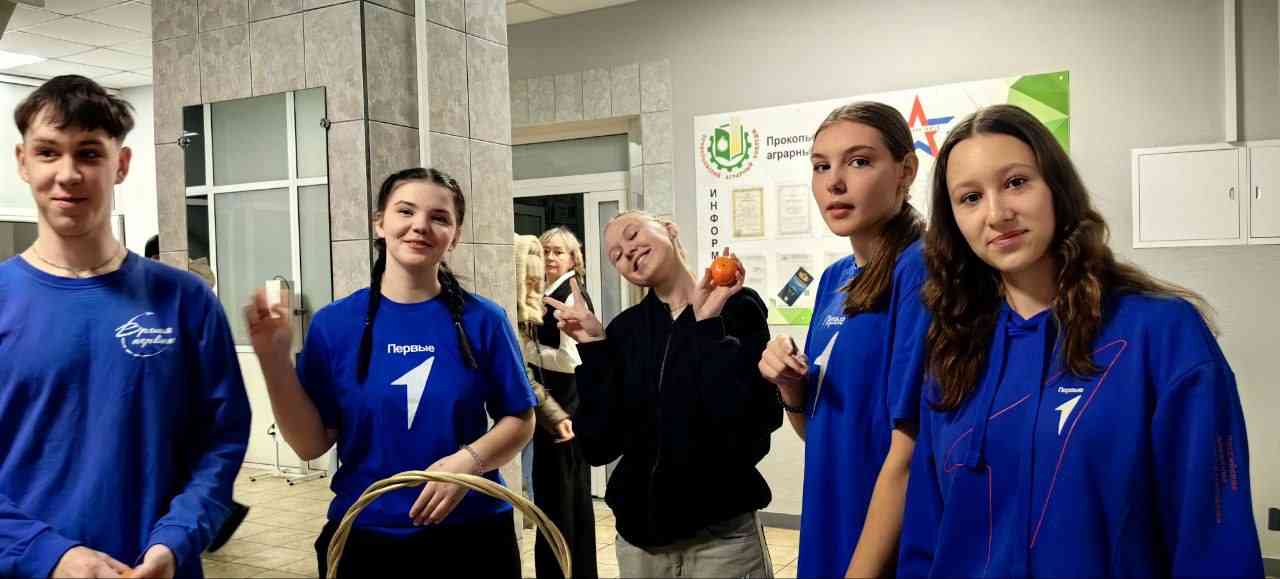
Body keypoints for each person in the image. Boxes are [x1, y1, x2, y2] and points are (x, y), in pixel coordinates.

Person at [898, 104, 1263, 577]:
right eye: (970, 197)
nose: (997, 214)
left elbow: (1214, 542)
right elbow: (926, 537)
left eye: (1016, 182)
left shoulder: (1162, 335)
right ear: (954, 222)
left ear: (1057, 188)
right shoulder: (952, 351)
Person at [0, 74, 251, 578]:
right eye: (48, 152)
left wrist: (176, 540)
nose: (68, 174)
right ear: (23, 162)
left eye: (89, 153)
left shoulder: (185, 300)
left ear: (122, 164)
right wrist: (48, 554)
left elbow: (220, 444)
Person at [244, 167, 536, 578]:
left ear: (455, 235)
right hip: (366, 534)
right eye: (406, 211)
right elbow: (311, 444)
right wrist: (274, 362)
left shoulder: (484, 319)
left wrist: (469, 462)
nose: (421, 225)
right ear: (379, 223)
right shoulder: (335, 324)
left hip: (473, 534)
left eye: (439, 217)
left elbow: (521, 418)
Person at [545, 211, 781, 578]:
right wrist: (594, 348)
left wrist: (706, 327)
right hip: (641, 547)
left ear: (669, 229)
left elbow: (752, 428)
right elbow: (598, 446)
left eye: (632, 234)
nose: (627, 252)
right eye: (616, 255)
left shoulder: (737, 308)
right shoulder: (625, 331)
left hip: (721, 541)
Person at [756, 102, 931, 578]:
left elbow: (911, 451)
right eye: (820, 166)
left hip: (885, 543)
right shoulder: (835, 278)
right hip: (830, 522)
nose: (834, 182)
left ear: (905, 170)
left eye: (858, 161)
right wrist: (790, 385)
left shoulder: (921, 270)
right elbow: (816, 430)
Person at [523, 226, 597, 579]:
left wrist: (525, 349)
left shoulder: (570, 295)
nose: (550, 257)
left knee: (560, 501)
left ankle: (561, 572)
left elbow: (571, 359)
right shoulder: (546, 292)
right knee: (564, 500)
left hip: (564, 411)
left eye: (558, 252)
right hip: (554, 408)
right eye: (545, 251)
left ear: (573, 258)